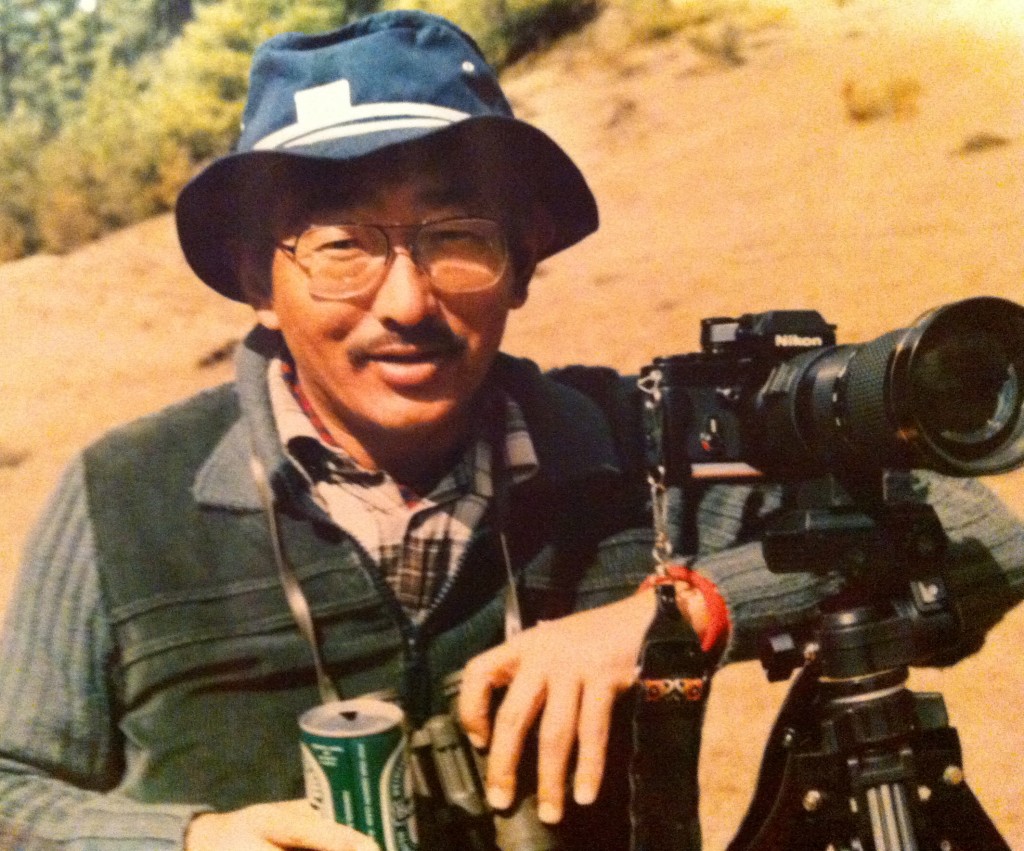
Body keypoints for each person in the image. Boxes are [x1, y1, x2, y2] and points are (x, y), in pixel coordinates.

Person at [0, 10, 1022, 851]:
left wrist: (678, 611)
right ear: (256, 280)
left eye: (457, 239)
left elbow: (987, 534)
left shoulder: (629, 449)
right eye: (341, 243)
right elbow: (13, 788)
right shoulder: (120, 494)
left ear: (524, 265)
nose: (405, 300)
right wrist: (193, 839)